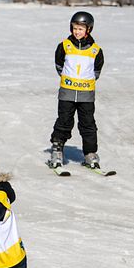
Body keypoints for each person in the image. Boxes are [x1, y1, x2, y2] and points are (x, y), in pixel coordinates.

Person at [49, 11, 105, 169]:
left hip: (86, 95)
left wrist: (84, 82)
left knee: (88, 124)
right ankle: (57, 149)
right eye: (74, 28)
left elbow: (96, 71)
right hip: (67, 93)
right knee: (64, 121)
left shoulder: (95, 50)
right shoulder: (64, 46)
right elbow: (59, 65)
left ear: (88, 30)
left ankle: (90, 154)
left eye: (80, 29)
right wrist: (68, 79)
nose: (77, 32)